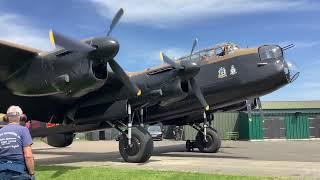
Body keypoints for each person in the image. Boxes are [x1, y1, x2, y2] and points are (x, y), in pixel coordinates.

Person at [0, 106, 35, 180]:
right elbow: (28, 156)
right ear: (21, 117)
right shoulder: (23, 130)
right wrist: (32, 174)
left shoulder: (0, 131)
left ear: (6, 117)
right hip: (19, 171)